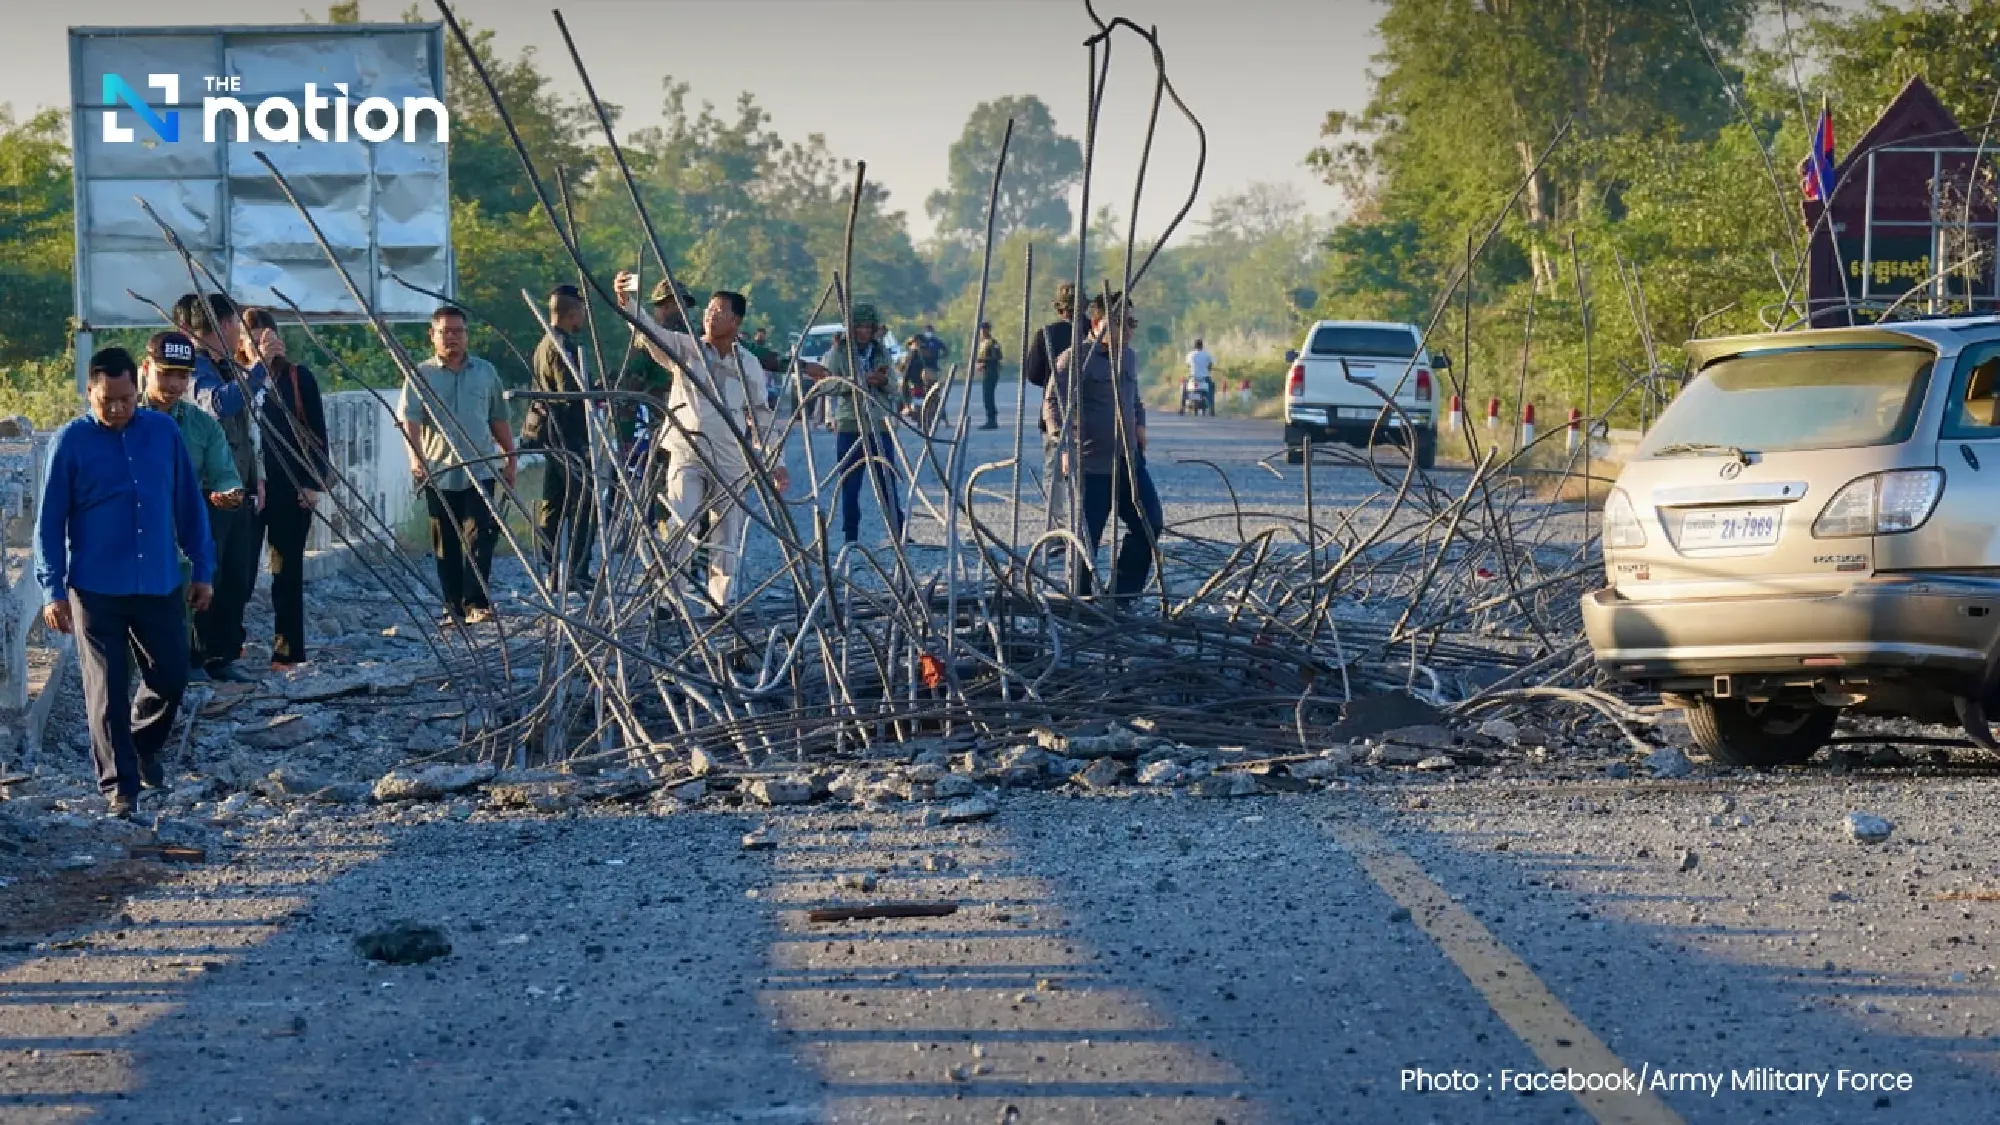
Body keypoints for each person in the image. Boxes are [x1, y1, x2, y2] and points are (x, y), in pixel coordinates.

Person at [36, 348, 214, 820]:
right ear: (89, 392)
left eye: (126, 399)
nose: (117, 409)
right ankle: (121, 789)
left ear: (138, 389)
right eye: (107, 400)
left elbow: (188, 506)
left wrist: (203, 569)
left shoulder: (163, 432)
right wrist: (52, 590)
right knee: (108, 689)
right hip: (96, 587)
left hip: (157, 580)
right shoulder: (70, 443)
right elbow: (49, 523)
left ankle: (140, 745)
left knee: (172, 675)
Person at [615, 271, 787, 610]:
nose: (710, 315)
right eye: (708, 310)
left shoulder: (748, 363)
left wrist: (775, 462)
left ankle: (719, 605)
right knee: (681, 523)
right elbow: (652, 334)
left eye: (719, 310)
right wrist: (627, 301)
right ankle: (669, 601)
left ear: (736, 321)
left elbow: (761, 417)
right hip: (687, 450)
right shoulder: (686, 348)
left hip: (730, 458)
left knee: (726, 536)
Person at [401, 306, 516, 624]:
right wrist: (416, 459)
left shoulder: (485, 372)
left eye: (458, 331)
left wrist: (510, 457)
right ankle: (452, 606)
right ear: (433, 335)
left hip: (480, 468)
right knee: (446, 541)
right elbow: (410, 420)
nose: (452, 336)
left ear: (467, 334)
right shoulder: (420, 375)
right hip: (439, 471)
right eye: (445, 331)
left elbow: (498, 417)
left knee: (481, 536)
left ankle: (476, 602)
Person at [1048, 292, 1162, 605]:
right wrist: (1065, 444)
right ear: (1098, 323)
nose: (1129, 330)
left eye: (1132, 323)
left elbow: (1134, 397)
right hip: (1091, 463)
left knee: (1150, 523)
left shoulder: (1128, 357)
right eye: (1122, 323)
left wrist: (1139, 423)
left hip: (1128, 460)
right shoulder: (1074, 359)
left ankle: (1122, 596)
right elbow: (1053, 404)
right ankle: (1082, 603)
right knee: (1086, 537)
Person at [172, 291, 263, 683]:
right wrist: (259, 368)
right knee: (207, 575)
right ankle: (195, 657)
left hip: (238, 489)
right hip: (207, 491)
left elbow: (246, 429)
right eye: (233, 326)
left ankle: (223, 654)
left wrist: (255, 477)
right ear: (224, 325)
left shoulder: (227, 367)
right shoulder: (192, 369)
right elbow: (219, 405)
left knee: (237, 577)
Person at [242, 308, 330, 668]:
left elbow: (318, 434)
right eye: (252, 338)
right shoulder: (235, 380)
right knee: (240, 571)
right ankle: (229, 645)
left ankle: (288, 651)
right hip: (247, 487)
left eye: (266, 337)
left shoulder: (297, 378)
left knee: (286, 573)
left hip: (291, 487)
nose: (260, 345)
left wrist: (313, 484)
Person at [141, 331, 241, 641]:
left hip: (180, 538)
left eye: (182, 376)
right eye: (165, 373)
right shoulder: (121, 418)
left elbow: (225, 472)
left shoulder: (203, 425)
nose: (173, 384)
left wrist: (230, 493)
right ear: (145, 369)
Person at [522, 285, 598, 594]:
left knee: (553, 504)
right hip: (567, 437)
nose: (583, 316)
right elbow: (571, 394)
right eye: (581, 311)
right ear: (571, 313)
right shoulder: (560, 345)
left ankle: (551, 567)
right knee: (582, 504)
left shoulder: (545, 343)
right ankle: (576, 571)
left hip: (553, 436)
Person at [822, 304, 906, 546]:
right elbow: (829, 385)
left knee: (887, 481)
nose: (863, 332)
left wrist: (881, 381)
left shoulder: (881, 352)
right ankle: (851, 537)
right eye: (859, 326)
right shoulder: (839, 352)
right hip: (850, 423)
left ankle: (898, 533)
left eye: (868, 327)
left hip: (878, 422)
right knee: (850, 484)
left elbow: (893, 386)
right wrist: (858, 381)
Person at [1021, 282, 1078, 536]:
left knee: (1054, 471)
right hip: (1089, 412)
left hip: (1054, 411)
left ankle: (1057, 529)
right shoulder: (1096, 330)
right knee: (1085, 471)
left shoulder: (1046, 334)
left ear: (1058, 308)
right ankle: (1082, 525)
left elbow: (1033, 374)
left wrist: (1051, 380)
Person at [976, 322, 1004, 430]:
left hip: (991, 372)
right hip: (985, 372)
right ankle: (989, 419)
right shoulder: (982, 343)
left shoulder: (993, 343)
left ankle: (992, 420)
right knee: (986, 397)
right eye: (981, 329)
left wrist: (985, 363)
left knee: (989, 396)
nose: (982, 332)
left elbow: (998, 356)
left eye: (984, 329)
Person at [1183, 338, 1215, 416]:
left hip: (1193, 378)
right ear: (1202, 346)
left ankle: (1182, 407)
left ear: (1195, 346)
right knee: (1211, 390)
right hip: (1205, 378)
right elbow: (1210, 366)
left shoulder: (1190, 354)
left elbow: (1188, 365)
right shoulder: (1207, 354)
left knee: (1185, 389)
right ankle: (1212, 408)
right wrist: (1207, 368)